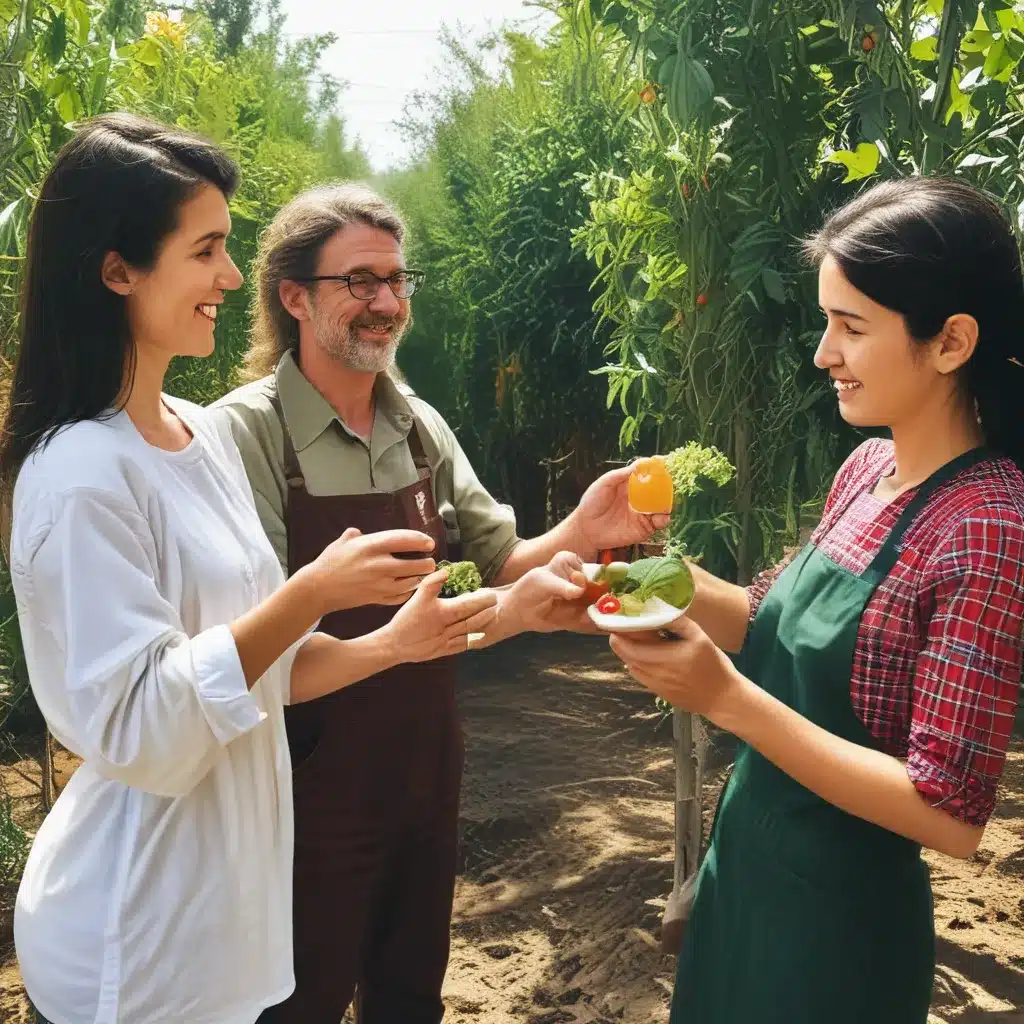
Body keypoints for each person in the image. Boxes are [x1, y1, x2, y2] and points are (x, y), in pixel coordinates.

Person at [0, 112, 565, 1024]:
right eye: (208, 249)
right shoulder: (79, 473)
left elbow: (267, 672)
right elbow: (142, 726)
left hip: (230, 921)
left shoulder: (194, 435)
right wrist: (312, 591)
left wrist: (390, 643)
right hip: (139, 935)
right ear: (117, 271)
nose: (232, 277)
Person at [208, 182, 665, 1023]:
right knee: (291, 1001)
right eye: (360, 282)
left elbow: (500, 565)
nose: (386, 303)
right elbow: (247, 645)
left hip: (423, 768)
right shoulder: (245, 436)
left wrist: (581, 526)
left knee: (410, 992)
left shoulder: (420, 425)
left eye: (396, 279)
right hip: (301, 787)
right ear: (294, 297)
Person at [608, 176, 1024, 1024]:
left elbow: (949, 816)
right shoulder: (867, 469)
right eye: (826, 321)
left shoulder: (987, 529)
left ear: (950, 342)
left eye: (851, 327)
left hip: (836, 933)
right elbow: (768, 617)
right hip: (744, 881)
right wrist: (637, 571)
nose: (822, 353)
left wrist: (726, 699)